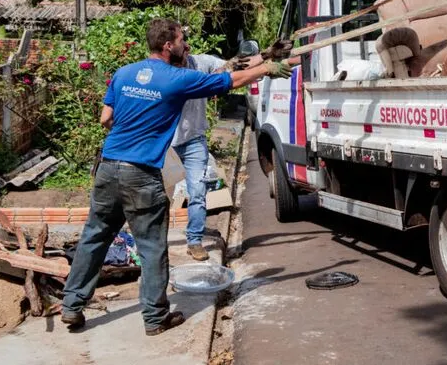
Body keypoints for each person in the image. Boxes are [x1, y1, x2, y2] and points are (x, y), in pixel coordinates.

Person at [61, 19, 292, 336]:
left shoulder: (125, 73)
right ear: (168, 45)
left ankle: (71, 306)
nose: (187, 44)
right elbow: (230, 80)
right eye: (183, 39)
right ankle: (155, 318)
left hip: (108, 167)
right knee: (152, 247)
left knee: (94, 236)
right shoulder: (177, 79)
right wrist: (267, 69)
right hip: (140, 173)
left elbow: (106, 119)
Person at [172, 39, 287, 261]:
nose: (187, 47)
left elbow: (235, 69)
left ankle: (194, 240)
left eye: (187, 43)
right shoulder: (165, 73)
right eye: (181, 43)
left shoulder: (200, 63)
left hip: (194, 139)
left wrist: (266, 55)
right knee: (159, 193)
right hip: (165, 143)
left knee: (197, 190)